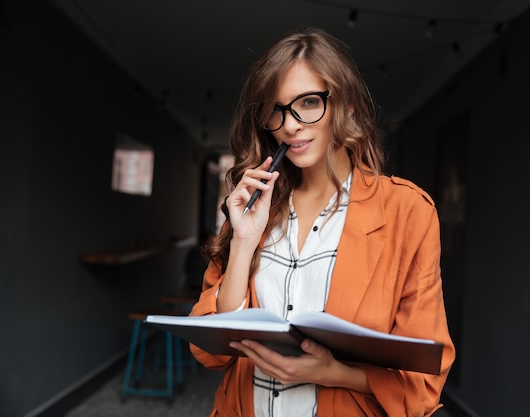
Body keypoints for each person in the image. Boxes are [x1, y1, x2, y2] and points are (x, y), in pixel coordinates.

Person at [189, 27, 455, 417]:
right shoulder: (252, 209)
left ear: (345, 105)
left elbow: (423, 385)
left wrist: (335, 373)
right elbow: (213, 353)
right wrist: (243, 242)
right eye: (276, 109)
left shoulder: (407, 212)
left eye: (309, 102)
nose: (290, 125)